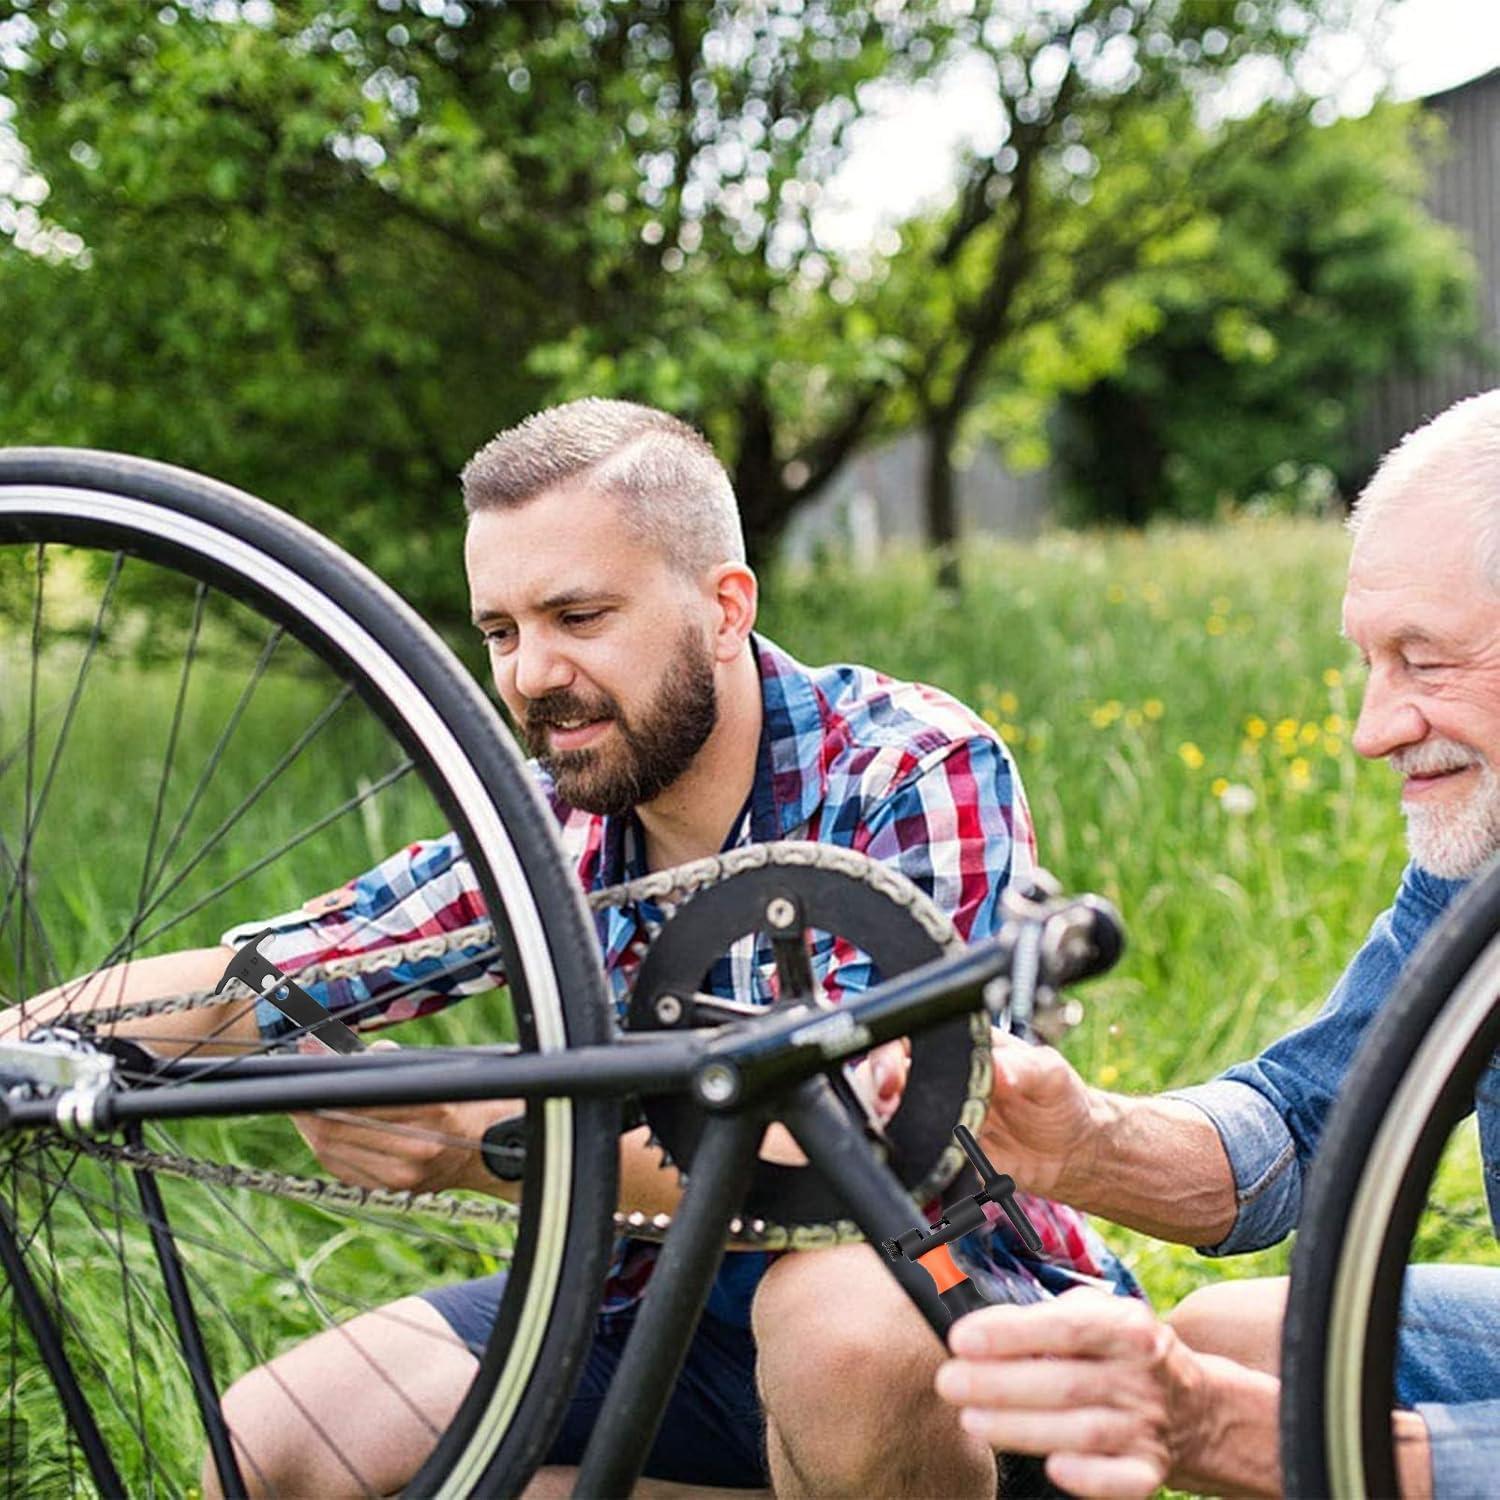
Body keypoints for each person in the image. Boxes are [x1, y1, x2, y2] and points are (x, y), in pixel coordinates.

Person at [39, 398, 1137, 1497]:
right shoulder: (548, 822)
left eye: (578, 615)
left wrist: (493, 1144)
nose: (528, 674)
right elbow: (279, 976)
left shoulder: (907, 767)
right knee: (274, 1443)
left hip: (952, 1314)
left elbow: (880, 1151)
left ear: (723, 607)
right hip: (656, 1308)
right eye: (502, 632)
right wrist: (23, 1049)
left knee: (839, 1330)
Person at [935, 390, 1500, 1499]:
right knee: (1236, 1343)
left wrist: (1238, 1438)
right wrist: (1081, 1140)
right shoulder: (1474, 873)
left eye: (1425, 663)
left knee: (1264, 1406)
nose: (1372, 730)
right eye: (1371, 663)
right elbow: (1304, 1118)